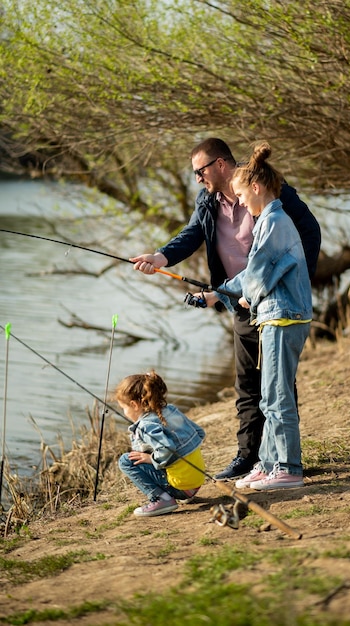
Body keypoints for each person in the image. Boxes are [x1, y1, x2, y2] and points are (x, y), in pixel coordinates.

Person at [130, 138, 321, 481]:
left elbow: (307, 233)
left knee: (278, 385)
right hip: (240, 300)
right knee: (248, 384)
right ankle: (252, 459)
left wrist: (295, 283)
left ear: (219, 164)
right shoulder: (207, 201)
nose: (197, 179)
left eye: (199, 171)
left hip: (275, 301)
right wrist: (160, 257)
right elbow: (191, 235)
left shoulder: (270, 194)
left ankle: (285, 461)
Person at [215, 141, 312, 489]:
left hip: (283, 318)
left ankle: (288, 467)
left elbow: (257, 277)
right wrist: (217, 293)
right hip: (275, 317)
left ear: (255, 188)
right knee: (269, 394)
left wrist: (245, 298)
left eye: (241, 196)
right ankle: (269, 462)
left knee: (277, 395)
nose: (240, 203)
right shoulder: (269, 221)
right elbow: (250, 273)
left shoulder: (274, 221)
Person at [114, 371, 206, 517]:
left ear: (134, 405)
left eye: (124, 408)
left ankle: (162, 499)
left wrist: (152, 459)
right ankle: (185, 491)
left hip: (180, 487)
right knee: (154, 454)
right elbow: (200, 433)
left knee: (126, 460)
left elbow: (167, 448)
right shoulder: (170, 411)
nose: (124, 412)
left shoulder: (146, 425)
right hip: (196, 484)